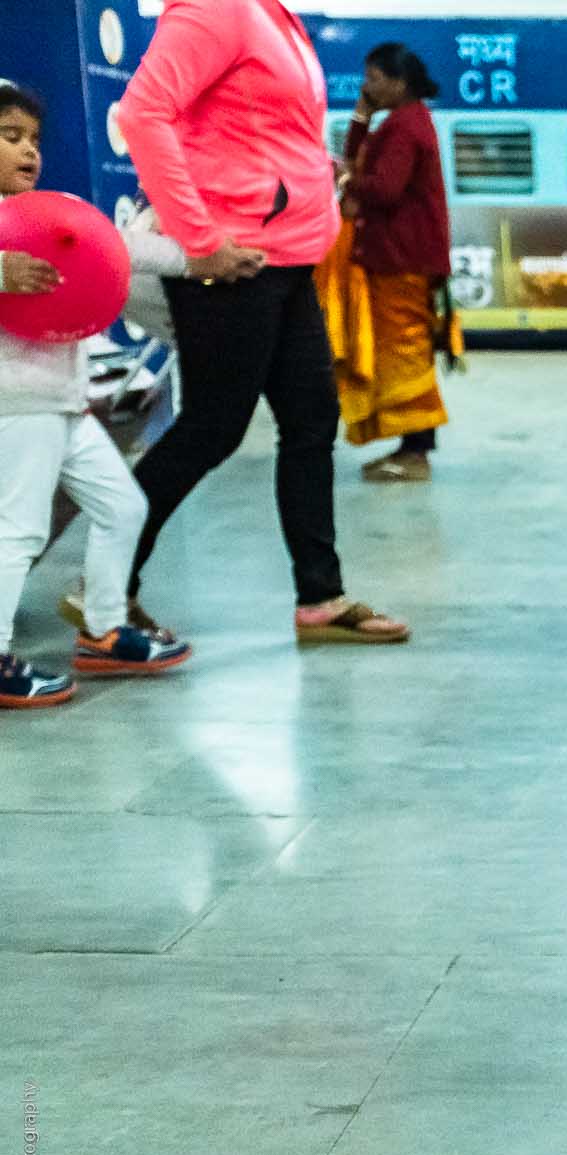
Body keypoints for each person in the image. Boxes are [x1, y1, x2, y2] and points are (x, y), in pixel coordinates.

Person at [118, 0, 409, 645]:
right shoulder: (215, 9)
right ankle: (106, 589)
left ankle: (320, 597)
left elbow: (261, 131)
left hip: (286, 257)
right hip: (234, 260)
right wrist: (199, 240)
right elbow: (143, 113)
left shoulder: (271, 14)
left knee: (311, 420)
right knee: (212, 429)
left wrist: (310, 173)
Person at [0, 82, 200, 708]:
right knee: (18, 533)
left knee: (123, 508)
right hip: (15, 402)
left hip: (62, 400)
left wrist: (209, 257)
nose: (29, 151)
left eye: (33, 139)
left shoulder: (48, 214)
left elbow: (121, 249)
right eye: (10, 137)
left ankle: (104, 630)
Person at [322, 42, 456, 485]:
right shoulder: (403, 121)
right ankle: (410, 446)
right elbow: (360, 160)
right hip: (397, 256)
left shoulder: (405, 127)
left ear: (399, 82)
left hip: (403, 258)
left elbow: (383, 190)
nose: (366, 84)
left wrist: (343, 177)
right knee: (401, 350)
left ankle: (416, 452)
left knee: (405, 352)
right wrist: (361, 115)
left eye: (374, 78)